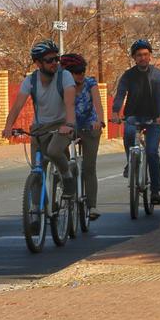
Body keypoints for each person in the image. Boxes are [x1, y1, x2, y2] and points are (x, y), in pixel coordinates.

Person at [2, 39, 77, 196]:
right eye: (50, 60)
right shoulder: (30, 81)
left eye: (57, 59)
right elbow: (17, 106)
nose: (55, 63)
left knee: (54, 151)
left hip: (62, 125)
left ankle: (67, 176)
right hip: (40, 128)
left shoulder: (65, 76)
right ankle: (36, 213)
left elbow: (70, 103)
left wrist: (69, 124)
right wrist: (8, 126)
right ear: (38, 63)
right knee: (38, 169)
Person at [111, 39, 160, 204]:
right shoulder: (128, 76)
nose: (142, 58)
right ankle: (130, 162)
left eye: (145, 54)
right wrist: (115, 112)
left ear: (150, 56)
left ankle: (155, 191)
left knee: (151, 152)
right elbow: (121, 94)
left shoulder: (157, 75)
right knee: (128, 133)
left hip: (153, 118)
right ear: (134, 58)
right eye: (138, 55)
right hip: (133, 116)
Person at [60, 52, 103, 220]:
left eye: (82, 71)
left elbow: (98, 104)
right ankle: (66, 184)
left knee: (88, 168)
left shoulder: (90, 83)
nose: (80, 75)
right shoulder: (61, 85)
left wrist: (99, 120)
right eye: (76, 72)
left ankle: (92, 206)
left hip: (89, 127)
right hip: (68, 127)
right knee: (60, 155)